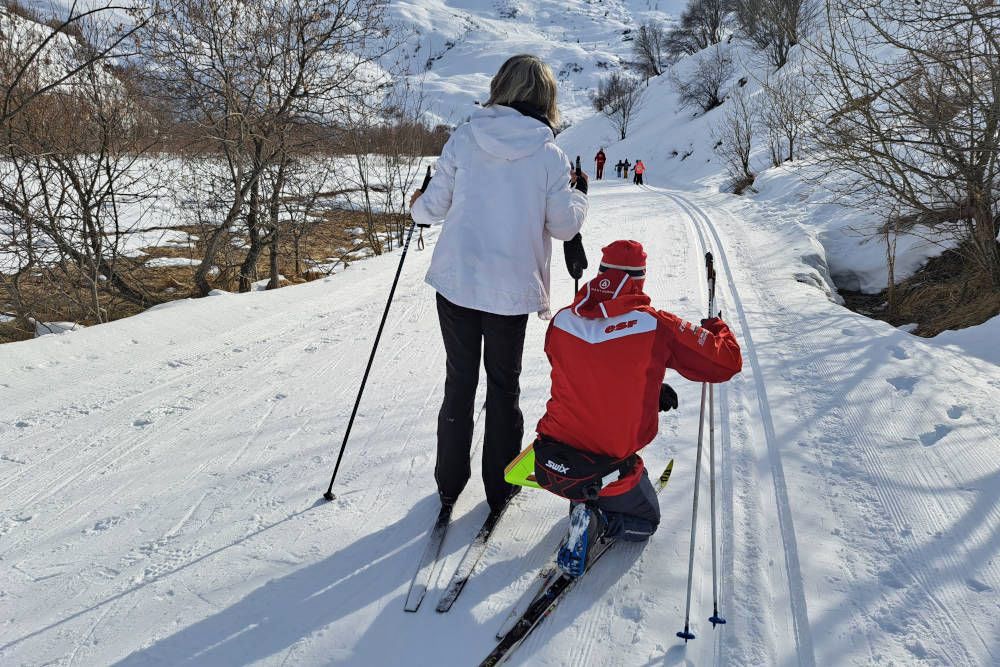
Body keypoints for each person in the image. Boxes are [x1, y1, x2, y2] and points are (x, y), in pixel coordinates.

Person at [410, 54, 590, 517]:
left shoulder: (465, 138)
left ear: (500, 87)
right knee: (503, 386)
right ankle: (500, 486)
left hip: (457, 282)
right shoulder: (550, 155)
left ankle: (449, 483)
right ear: (545, 97)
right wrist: (579, 195)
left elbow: (430, 209)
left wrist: (416, 204)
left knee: (459, 381)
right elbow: (564, 226)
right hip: (510, 291)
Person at [531, 240, 742, 576]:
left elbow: (587, 371)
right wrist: (717, 327)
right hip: (606, 464)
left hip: (554, 457)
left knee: (586, 450)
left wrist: (648, 388)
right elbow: (726, 362)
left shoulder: (562, 320)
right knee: (646, 521)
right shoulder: (654, 325)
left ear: (602, 273)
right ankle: (600, 519)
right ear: (639, 279)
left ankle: (583, 501)